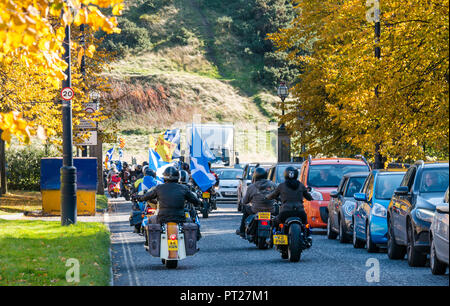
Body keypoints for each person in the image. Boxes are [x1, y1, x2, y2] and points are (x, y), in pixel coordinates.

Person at [136, 166, 203, 225]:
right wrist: (201, 203)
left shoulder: (159, 188)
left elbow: (145, 197)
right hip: (180, 218)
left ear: (164, 177)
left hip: (162, 218)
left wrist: (138, 197)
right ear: (177, 177)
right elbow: (194, 200)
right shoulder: (183, 188)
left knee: (150, 220)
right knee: (192, 221)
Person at [266, 166, 313, 243]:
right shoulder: (301, 185)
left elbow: (273, 195)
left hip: (285, 212)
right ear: (296, 174)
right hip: (300, 212)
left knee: (274, 222)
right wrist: (311, 198)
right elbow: (308, 197)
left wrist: (267, 197)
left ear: (285, 174)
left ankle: (271, 240)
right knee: (306, 224)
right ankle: (307, 237)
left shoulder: (282, 185)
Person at [236, 167, 277, 238]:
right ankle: (279, 231)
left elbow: (245, 201)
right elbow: (279, 197)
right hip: (271, 210)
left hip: (255, 210)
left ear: (255, 176)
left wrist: (242, 202)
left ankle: (242, 230)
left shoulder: (251, 187)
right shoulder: (273, 185)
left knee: (246, 209)